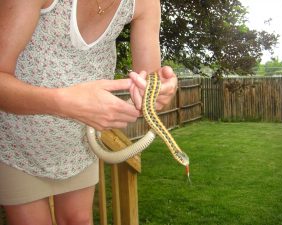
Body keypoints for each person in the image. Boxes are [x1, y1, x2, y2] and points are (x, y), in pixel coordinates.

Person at [0, 0, 178, 224]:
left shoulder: (146, 4)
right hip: (17, 144)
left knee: (79, 220)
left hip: (79, 144)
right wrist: (64, 103)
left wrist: (159, 91)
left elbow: (150, 82)